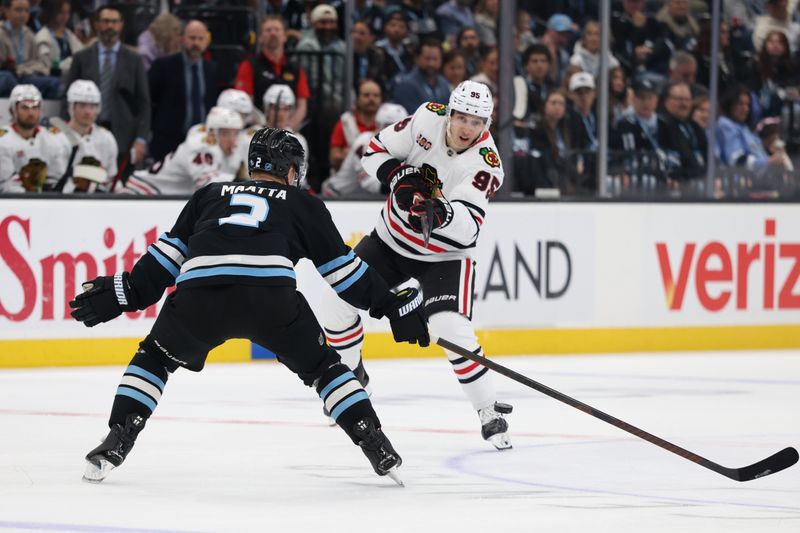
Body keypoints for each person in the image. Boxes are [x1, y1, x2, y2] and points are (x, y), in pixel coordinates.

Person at [70, 127, 430, 485]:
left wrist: (126, 291)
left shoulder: (209, 195)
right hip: (271, 300)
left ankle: (119, 437)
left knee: (154, 358)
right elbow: (344, 275)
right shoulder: (303, 203)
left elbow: (163, 263)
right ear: (291, 170)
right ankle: (374, 442)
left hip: (199, 298)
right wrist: (389, 304)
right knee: (325, 368)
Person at [316, 80, 514, 450]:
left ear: (486, 125)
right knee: (335, 301)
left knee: (449, 326)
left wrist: (440, 212)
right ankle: (351, 376)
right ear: (450, 113)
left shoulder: (487, 166)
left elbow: (469, 229)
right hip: (390, 242)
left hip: (445, 256)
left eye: (477, 122)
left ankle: (488, 409)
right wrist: (397, 175)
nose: (467, 128)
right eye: (462, 118)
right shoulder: (425, 118)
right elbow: (374, 151)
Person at [64, 5, 151, 170]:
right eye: (105, 21)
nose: (110, 26)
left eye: (114, 22)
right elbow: (67, 98)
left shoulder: (134, 59)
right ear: (96, 24)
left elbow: (144, 103)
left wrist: (141, 139)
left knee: (116, 185)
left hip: (124, 135)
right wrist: (66, 133)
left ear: (121, 25)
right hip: (84, 133)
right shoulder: (82, 57)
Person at [118, 106, 242, 195]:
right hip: (144, 192)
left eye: (236, 134)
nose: (233, 141)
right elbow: (208, 185)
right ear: (212, 133)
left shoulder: (206, 140)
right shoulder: (202, 147)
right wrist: (243, 184)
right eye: (226, 134)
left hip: (164, 197)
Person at [148, 20, 220, 163]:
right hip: (168, 141)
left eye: (200, 39)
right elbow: (150, 101)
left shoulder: (212, 69)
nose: (196, 43)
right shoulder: (163, 66)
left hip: (202, 141)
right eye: (192, 38)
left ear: (207, 41)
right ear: (182, 38)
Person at [234, 15, 309, 130]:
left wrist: (288, 128)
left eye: (277, 30)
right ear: (260, 38)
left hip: (288, 131)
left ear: (284, 36)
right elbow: (245, 102)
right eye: (268, 30)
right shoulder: (249, 65)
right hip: (257, 130)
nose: (273, 33)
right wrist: (264, 125)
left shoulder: (295, 68)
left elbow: (301, 106)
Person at [322, 102, 408, 197]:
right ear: (378, 125)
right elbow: (370, 183)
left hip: (363, 199)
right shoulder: (364, 144)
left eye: (400, 127)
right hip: (336, 196)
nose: (394, 132)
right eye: (389, 126)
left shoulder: (403, 147)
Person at [0, 84, 70, 192]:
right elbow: (6, 183)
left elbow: (58, 180)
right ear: (12, 111)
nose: (31, 112)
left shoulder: (54, 139)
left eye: (35, 107)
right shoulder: (3, 140)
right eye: (25, 107)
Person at [56, 79, 118, 192]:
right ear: (72, 107)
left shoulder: (107, 138)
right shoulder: (57, 139)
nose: (88, 112)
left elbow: (111, 178)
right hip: (66, 199)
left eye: (93, 106)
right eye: (82, 105)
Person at [329, 78, 382, 172]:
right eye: (366, 95)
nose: (372, 99)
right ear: (357, 99)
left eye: (376, 95)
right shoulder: (345, 123)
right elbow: (333, 159)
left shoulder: (385, 124)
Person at [34, 0, 83, 79]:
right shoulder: (42, 38)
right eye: (61, 13)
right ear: (52, 13)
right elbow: (48, 67)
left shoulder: (68, 34)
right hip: (53, 78)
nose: (65, 16)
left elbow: (81, 54)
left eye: (67, 13)